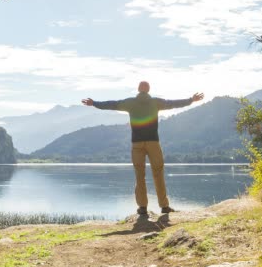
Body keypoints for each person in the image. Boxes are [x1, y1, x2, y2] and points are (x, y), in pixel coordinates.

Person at [82, 81, 204, 216]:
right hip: (153, 142)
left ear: (138, 90)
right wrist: (191, 100)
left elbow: (112, 104)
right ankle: (164, 206)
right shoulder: (155, 102)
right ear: (149, 90)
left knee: (140, 176)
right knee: (158, 174)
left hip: (137, 144)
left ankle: (143, 207)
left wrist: (94, 103)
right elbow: (173, 103)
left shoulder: (130, 102)